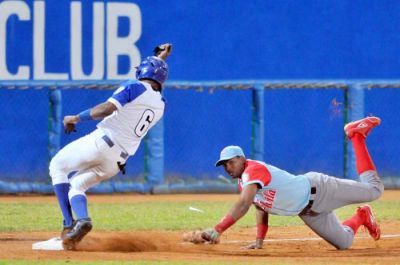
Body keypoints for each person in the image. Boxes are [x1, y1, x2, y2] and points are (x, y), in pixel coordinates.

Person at [49, 43, 172, 250]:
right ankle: (83, 220)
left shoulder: (134, 86)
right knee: (76, 185)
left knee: (56, 166)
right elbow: (153, 80)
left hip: (102, 142)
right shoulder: (162, 104)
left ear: (142, 71)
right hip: (117, 161)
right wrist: (160, 58)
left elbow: (106, 109)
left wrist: (76, 118)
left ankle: (68, 224)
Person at [201, 116, 384, 250]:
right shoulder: (244, 182)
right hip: (308, 212)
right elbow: (260, 207)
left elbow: (243, 204)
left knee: (374, 189)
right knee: (344, 242)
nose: (227, 167)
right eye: (224, 165)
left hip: (320, 190)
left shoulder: (253, 170)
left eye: (231, 162)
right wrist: (259, 241)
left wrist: (218, 230)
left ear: (242, 158)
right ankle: (362, 216)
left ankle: (356, 136)